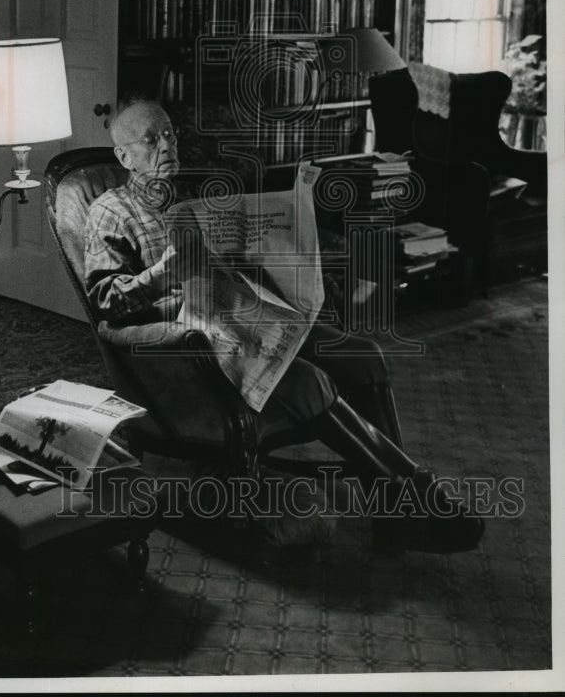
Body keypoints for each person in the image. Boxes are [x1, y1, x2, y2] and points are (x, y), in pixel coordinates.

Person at [84, 98, 485, 554]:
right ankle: (417, 500)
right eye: (151, 139)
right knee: (310, 381)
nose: (167, 145)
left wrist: (275, 258)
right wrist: (165, 274)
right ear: (124, 156)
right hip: (193, 344)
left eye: (170, 133)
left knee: (363, 356)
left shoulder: (191, 199)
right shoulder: (109, 211)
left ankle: (391, 514)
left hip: (246, 314)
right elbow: (106, 303)